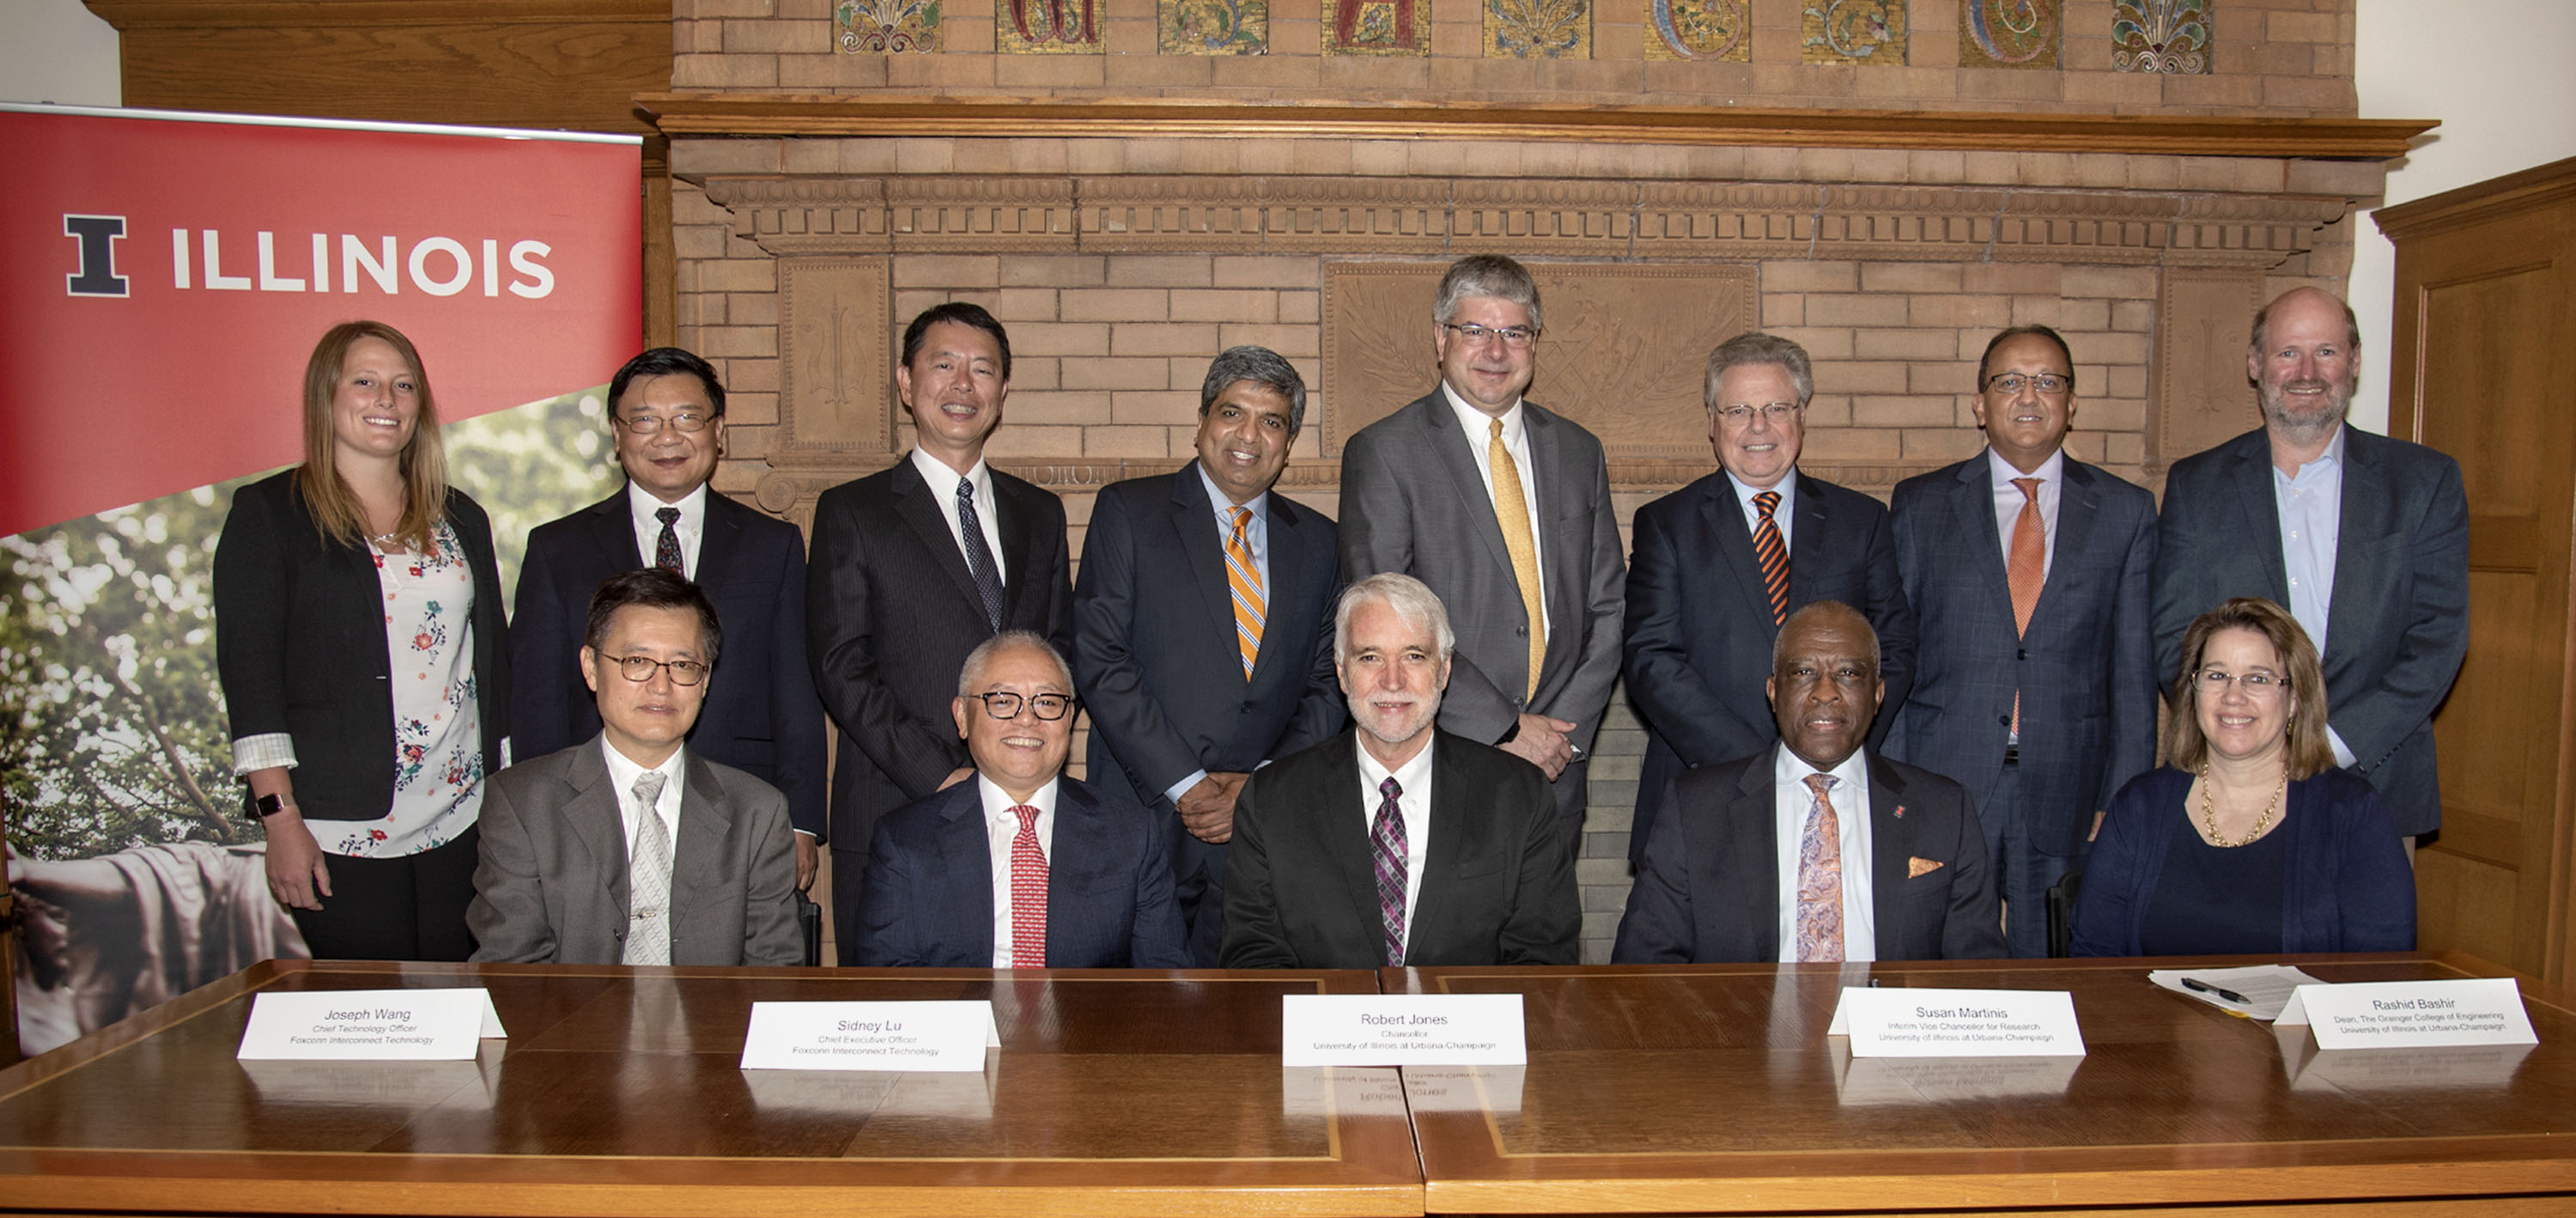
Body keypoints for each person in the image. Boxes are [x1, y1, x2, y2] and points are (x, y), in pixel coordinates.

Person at [213, 320, 507, 960]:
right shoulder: (270, 514)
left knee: (455, 1007)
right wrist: (279, 819)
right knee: (369, 1022)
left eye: (404, 386)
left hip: (461, 817)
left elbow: (492, 661)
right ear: (327, 395)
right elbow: (251, 677)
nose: (387, 400)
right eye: (366, 382)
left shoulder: (462, 517)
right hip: (337, 824)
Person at [807, 302, 1075, 963]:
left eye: (982, 370)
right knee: (902, 1017)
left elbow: (1061, 651)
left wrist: (1016, 764)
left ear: (1003, 392)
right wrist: (943, 773)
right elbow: (841, 665)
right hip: (895, 801)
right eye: (944, 366)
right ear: (905, 382)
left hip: (1023, 807)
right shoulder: (853, 510)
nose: (963, 386)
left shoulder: (1038, 513)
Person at [2152, 287, 2468, 843]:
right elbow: (2174, 640)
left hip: (2378, 783)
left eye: (2326, 351)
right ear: (2255, 364)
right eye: (2286, 353)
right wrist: (2248, 741)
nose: (2306, 371)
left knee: (2375, 933)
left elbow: (2438, 638)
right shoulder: (2196, 487)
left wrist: (2335, 744)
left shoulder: (2423, 482)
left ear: (2355, 361)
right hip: (2232, 789)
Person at [1885, 326, 2158, 957]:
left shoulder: (2126, 512)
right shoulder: (1922, 505)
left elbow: (2134, 675)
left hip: (2069, 786)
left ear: (2071, 402)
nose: (2028, 395)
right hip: (1943, 779)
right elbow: (1897, 656)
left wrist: (2121, 798)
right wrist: (1894, 784)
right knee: (1931, 958)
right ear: (1980, 404)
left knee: (2056, 967)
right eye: (2009, 381)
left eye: (2047, 381)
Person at [512, 347, 827, 892]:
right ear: (617, 435)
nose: (667, 437)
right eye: (645, 421)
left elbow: (795, 691)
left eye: (686, 418)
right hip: (592, 814)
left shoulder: (772, 546)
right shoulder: (555, 548)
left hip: (739, 807)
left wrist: (798, 821)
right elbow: (535, 698)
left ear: (718, 430)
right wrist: (540, 821)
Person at [1337, 254, 1624, 849]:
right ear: (1441, 337)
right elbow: (1386, 624)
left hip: (1556, 770)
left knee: (1542, 939)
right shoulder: (1386, 452)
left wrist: (1560, 737)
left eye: (1514, 333)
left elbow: (1608, 606)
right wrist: (1506, 729)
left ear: (1535, 343)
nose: (1496, 351)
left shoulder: (1578, 451)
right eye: (1476, 330)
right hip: (1446, 760)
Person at [1073, 346, 1346, 964]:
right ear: (1201, 421)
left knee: (1247, 1014)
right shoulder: (1129, 512)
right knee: (1134, 1014)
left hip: (1261, 827)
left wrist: (1259, 790)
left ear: (1289, 440)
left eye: (1271, 421)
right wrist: (1190, 787)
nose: (1249, 435)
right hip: (1145, 813)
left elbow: (1326, 684)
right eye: (1232, 412)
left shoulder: (1321, 542)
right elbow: (1100, 657)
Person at [1622, 332, 1915, 870]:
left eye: (1777, 407)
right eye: (1738, 410)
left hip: (1838, 785)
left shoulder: (1862, 521)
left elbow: (1892, 648)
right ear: (1711, 421)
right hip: (1706, 787)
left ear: (1802, 415)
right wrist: (1763, 765)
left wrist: (1831, 746)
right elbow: (1651, 661)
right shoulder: (1667, 525)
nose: (1759, 426)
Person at [1221, 573, 1580, 968]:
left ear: (1444, 672)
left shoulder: (1518, 795)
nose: (1392, 682)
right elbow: (1254, 958)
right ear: (1341, 672)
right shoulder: (1271, 799)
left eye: (1414, 656)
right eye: (1370, 657)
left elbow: (1543, 958)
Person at [1613, 600, 2002, 964]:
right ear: (1773, 691)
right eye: (1803, 673)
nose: (1826, 693)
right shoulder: (1694, 809)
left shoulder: (1945, 809)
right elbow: (1644, 972)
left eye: (1848, 674)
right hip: (1743, 1030)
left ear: (1878, 694)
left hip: (1889, 1034)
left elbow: (1979, 977)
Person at [469, 569, 802, 966]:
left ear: (706, 679)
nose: (661, 686)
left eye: (682, 665)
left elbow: (771, 975)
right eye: (637, 660)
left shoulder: (757, 812)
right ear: (591, 667)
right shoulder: (522, 803)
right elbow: (512, 972)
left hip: (712, 1027)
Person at [2073, 597, 2415, 956]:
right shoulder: (2140, 806)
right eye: (2217, 676)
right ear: (2193, 691)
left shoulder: (2353, 814)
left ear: (2295, 698)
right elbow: (2095, 954)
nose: (2234, 697)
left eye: (2258, 679)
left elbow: (2380, 970)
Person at [852, 632, 1188, 967]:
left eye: (1047, 702)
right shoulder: (904, 841)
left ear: (1069, 718)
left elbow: (1163, 984)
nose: (1027, 719)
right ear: (962, 717)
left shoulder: (1132, 835)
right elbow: (890, 989)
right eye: (1002, 701)